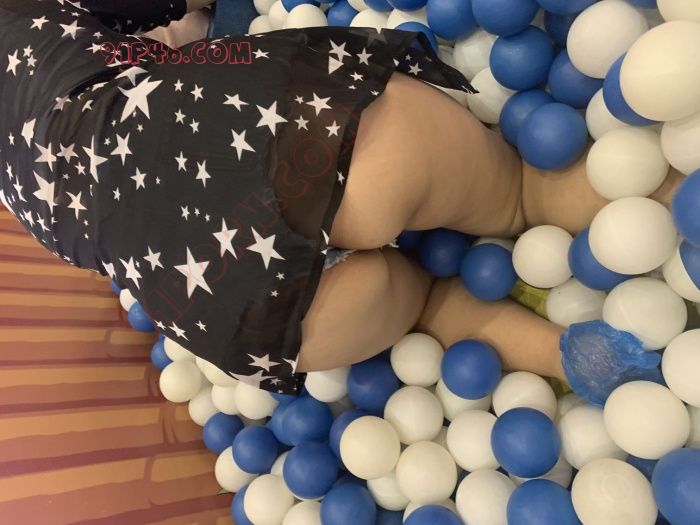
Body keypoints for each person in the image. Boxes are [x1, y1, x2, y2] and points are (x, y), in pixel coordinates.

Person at [0, 0, 682, 400]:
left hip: (228, 307)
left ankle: (560, 352)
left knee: (425, 304)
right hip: (288, 140)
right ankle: (666, 196)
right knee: (521, 194)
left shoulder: (12, 188)